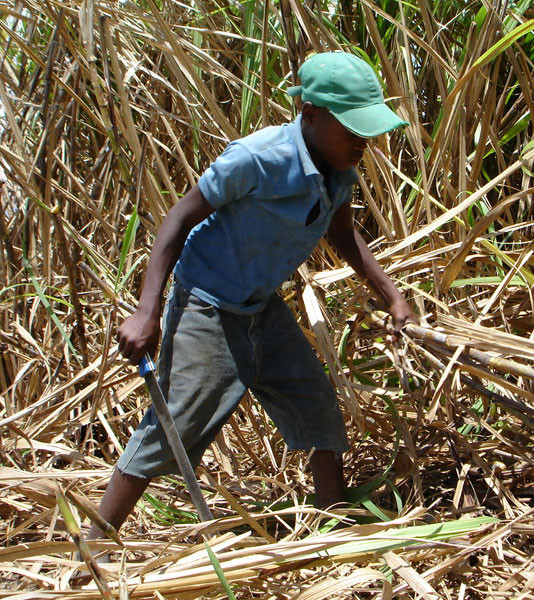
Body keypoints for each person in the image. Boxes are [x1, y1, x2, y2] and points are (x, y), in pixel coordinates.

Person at [87, 51, 417, 543]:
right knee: (175, 423)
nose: (362, 142)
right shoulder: (258, 158)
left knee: (316, 401)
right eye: (351, 129)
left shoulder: (338, 168)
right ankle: (94, 547)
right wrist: (146, 311)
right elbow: (179, 219)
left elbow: (344, 236)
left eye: (366, 131)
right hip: (207, 302)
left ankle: (335, 529)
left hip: (260, 305)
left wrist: (392, 295)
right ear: (309, 114)